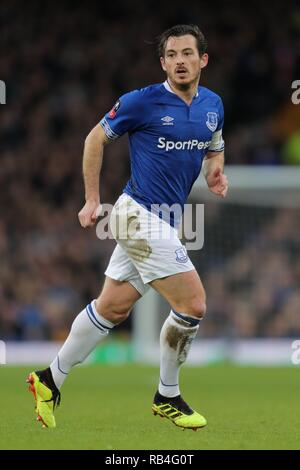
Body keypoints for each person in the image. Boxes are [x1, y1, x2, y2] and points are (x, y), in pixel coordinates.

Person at [27, 24, 228, 430]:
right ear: (163, 63)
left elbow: (215, 144)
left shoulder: (213, 104)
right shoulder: (142, 102)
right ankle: (167, 394)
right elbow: (94, 139)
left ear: (202, 60)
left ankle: (49, 380)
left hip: (166, 221)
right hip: (137, 215)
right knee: (193, 305)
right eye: (171, 55)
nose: (179, 62)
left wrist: (216, 173)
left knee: (112, 307)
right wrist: (89, 199)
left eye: (187, 53)